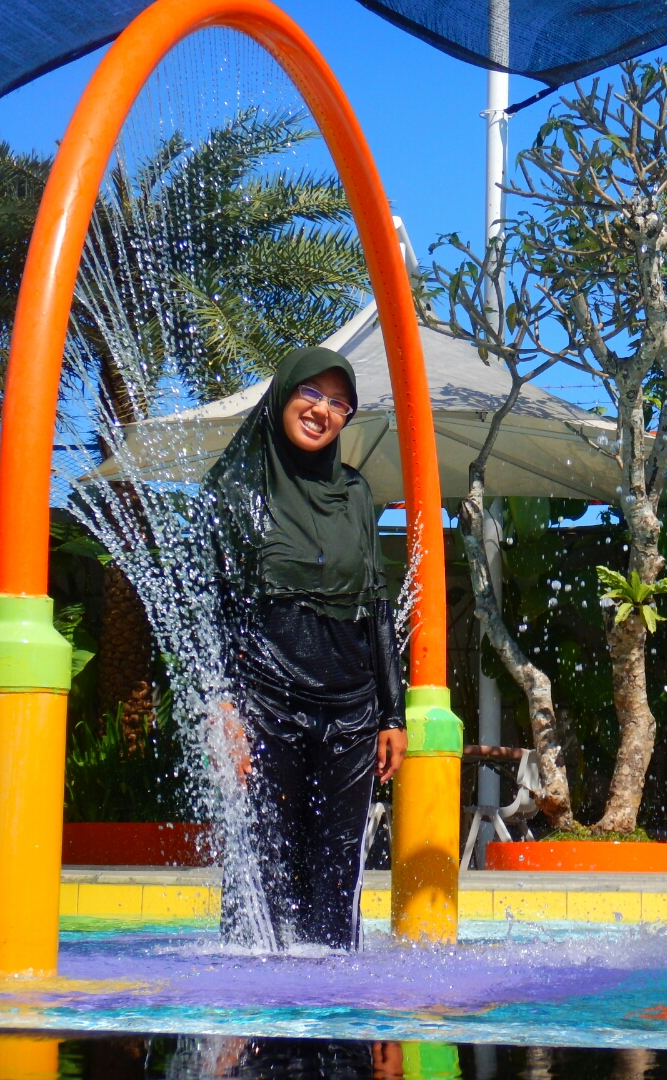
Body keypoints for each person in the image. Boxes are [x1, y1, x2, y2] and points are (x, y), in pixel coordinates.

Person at [205, 345, 405, 950]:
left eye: (338, 402)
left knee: (337, 878)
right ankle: (259, 1032)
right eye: (310, 395)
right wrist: (223, 707)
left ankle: (331, 1034)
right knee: (265, 871)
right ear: (282, 395)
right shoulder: (236, 490)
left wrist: (391, 714)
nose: (322, 411)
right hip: (266, 704)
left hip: (352, 712)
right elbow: (213, 611)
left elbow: (376, 602)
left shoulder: (356, 494)